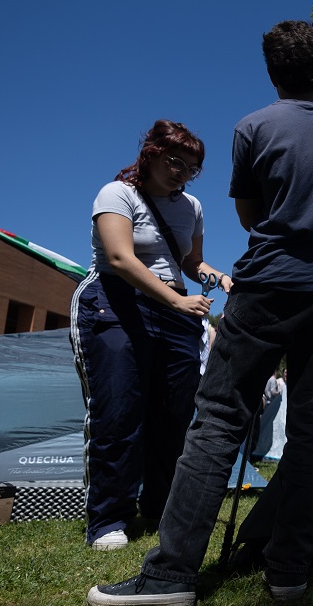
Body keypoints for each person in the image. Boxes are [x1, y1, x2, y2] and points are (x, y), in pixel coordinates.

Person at [87, 20, 313, 606]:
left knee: (220, 421)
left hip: (270, 287)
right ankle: (289, 577)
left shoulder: (252, 126)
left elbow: (252, 217)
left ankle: (170, 577)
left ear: (273, 73)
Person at [69, 120, 229, 551]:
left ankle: (158, 508)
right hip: (116, 303)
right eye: (176, 161)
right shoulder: (117, 194)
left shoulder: (192, 207)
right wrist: (176, 301)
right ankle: (107, 520)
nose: (182, 173)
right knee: (119, 411)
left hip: (175, 314)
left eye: (192, 168)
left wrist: (216, 275)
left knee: (173, 416)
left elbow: (192, 262)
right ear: (152, 153)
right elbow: (120, 258)